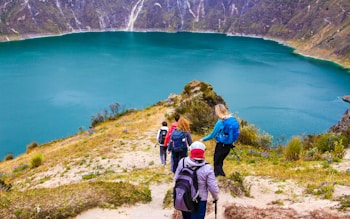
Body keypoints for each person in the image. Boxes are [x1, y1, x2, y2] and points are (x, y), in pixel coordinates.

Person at [174, 141, 219, 219]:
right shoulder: (207, 168)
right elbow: (212, 187)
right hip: (200, 200)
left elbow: (176, 179)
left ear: (191, 151)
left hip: (184, 196)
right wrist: (216, 197)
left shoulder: (183, 162)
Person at [200, 104, 239, 177]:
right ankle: (218, 178)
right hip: (228, 145)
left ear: (218, 111)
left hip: (221, 145)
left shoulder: (221, 122)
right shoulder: (231, 119)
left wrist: (203, 139)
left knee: (216, 163)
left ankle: (221, 179)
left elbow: (212, 135)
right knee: (220, 162)